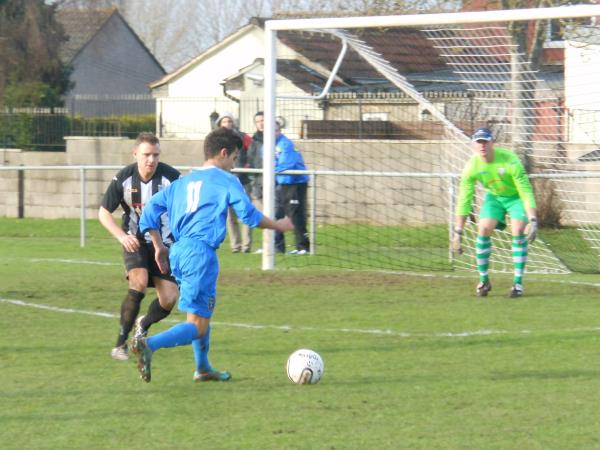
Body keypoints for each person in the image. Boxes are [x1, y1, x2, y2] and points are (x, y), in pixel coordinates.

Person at [132, 127, 294, 383]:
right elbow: (249, 217)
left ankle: (203, 368)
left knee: (199, 314)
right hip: (200, 254)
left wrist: (158, 246)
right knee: (197, 326)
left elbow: (150, 209)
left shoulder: (182, 183)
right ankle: (149, 344)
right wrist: (279, 225)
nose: (234, 164)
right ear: (223, 153)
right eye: (234, 158)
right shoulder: (226, 181)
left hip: (179, 251)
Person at [98, 132, 180, 360]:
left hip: (164, 246)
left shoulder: (172, 179)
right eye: (146, 155)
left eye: (155, 155)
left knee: (170, 298)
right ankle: (119, 345)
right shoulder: (124, 178)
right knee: (139, 282)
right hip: (135, 241)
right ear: (135, 154)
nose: (151, 160)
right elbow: (104, 213)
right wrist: (122, 237)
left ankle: (143, 322)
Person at [452, 127, 537, 298]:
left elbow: (525, 190)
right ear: (473, 145)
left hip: (516, 198)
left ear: (492, 143)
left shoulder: (510, 160)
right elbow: (464, 199)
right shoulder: (471, 166)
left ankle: (518, 284)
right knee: (483, 228)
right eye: (478, 142)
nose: (482, 145)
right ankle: (484, 281)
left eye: (485, 141)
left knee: (518, 229)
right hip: (494, 198)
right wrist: (458, 233)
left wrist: (533, 219)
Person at [215, 112, 253, 253]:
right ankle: (235, 245)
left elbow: (252, 153)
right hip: (225, 182)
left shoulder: (243, 137)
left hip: (243, 180)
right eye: (224, 121)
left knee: (245, 212)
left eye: (229, 121)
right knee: (230, 216)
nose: (227, 124)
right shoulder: (216, 140)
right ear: (220, 124)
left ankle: (246, 245)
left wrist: (248, 167)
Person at [274, 122, 310, 254]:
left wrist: (272, 169)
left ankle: (303, 247)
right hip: (282, 183)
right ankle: (279, 247)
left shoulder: (285, 144)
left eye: (275, 130)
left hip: (294, 182)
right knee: (278, 214)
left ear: (279, 131)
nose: (273, 133)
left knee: (295, 214)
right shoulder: (269, 145)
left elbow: (288, 163)